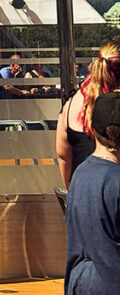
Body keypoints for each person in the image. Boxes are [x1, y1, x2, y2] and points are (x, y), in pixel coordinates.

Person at [62, 91, 120, 295]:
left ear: (93, 131)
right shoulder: (117, 181)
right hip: (113, 281)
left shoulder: (82, 174)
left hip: (81, 286)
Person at [56, 42, 120, 188]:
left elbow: (63, 155)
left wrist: (71, 192)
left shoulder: (71, 103)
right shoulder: (115, 103)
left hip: (83, 190)